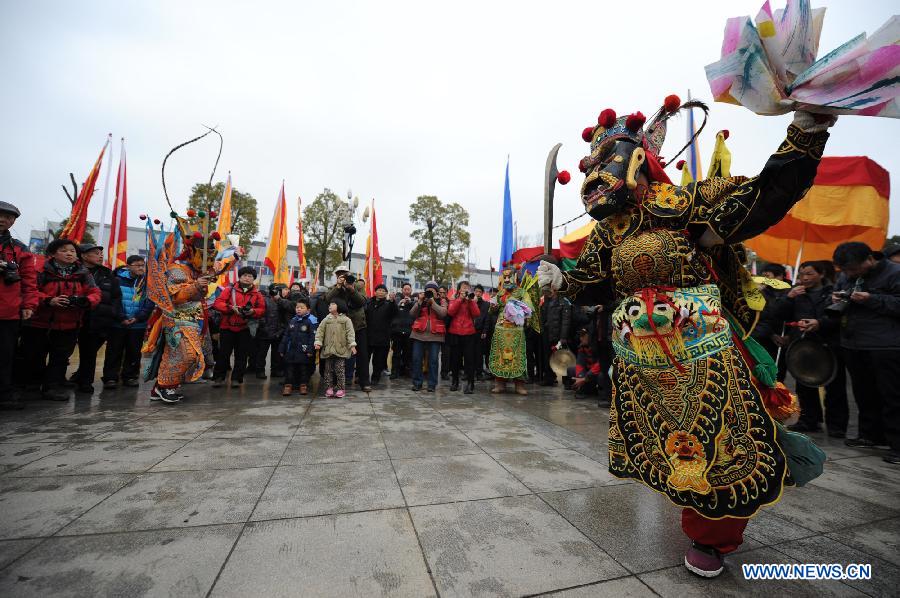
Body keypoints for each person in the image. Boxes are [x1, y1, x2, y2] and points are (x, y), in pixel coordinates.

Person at [537, 101, 837, 576]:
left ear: (638, 162)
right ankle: (691, 508)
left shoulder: (679, 205)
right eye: (589, 164)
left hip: (700, 345)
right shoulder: (606, 233)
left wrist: (803, 134)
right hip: (638, 353)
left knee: (717, 435)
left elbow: (762, 199)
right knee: (666, 440)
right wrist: (563, 280)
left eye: (604, 159)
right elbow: (592, 285)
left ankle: (713, 537)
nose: (594, 171)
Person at [830, 242, 900, 464]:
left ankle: (897, 445)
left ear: (870, 259)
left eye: (853, 269)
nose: (849, 274)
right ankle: (869, 435)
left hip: (886, 345)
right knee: (864, 393)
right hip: (853, 342)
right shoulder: (846, 276)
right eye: (845, 270)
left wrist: (872, 299)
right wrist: (837, 298)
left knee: (892, 396)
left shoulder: (894, 273)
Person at [20, 239, 101, 400]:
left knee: (60, 357)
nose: (69, 253)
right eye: (64, 250)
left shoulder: (83, 273)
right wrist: (49, 300)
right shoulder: (41, 270)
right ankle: (33, 386)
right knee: (35, 355)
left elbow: (95, 292)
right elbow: (29, 291)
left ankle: (52, 387)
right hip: (39, 322)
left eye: (72, 250)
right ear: (53, 253)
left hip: (70, 323)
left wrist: (85, 301)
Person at [774, 261, 848, 437]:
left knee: (835, 387)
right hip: (802, 346)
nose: (804, 278)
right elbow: (778, 315)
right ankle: (809, 421)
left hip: (828, 345)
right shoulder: (796, 293)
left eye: (809, 274)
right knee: (805, 385)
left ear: (821, 274)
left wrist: (820, 324)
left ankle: (836, 426)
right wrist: (789, 298)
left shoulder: (834, 293)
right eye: (801, 274)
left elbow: (839, 318)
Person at [0, 201, 38, 410]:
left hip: (8, 312)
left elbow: (29, 281)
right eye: (1, 215)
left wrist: (29, 304)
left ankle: (5, 394)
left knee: (6, 356)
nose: (3, 220)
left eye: (8, 217)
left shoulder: (19, 249)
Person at [70, 243, 122, 394]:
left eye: (101, 253)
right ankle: (64, 381)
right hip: (76, 317)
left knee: (90, 353)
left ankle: (85, 382)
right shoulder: (74, 271)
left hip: (100, 320)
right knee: (65, 352)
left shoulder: (107, 274)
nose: (100, 255)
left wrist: (112, 312)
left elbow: (116, 296)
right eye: (95, 253)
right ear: (84, 255)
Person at [102, 255, 155, 388]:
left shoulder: (147, 283)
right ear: (128, 266)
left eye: (142, 265)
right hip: (118, 323)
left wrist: (138, 317)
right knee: (114, 351)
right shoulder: (117, 279)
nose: (141, 268)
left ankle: (130, 376)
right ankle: (110, 378)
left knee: (134, 351)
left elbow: (150, 303)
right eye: (137, 265)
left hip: (138, 324)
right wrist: (121, 317)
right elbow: (112, 301)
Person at [212, 266, 265, 388]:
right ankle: (219, 377)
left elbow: (262, 310)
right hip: (227, 327)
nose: (247, 278)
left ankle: (237, 379)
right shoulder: (229, 290)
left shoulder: (257, 294)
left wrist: (252, 312)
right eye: (245, 275)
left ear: (254, 279)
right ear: (240, 277)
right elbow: (218, 303)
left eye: (250, 276)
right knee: (223, 354)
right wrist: (231, 308)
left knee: (241, 355)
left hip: (245, 328)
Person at [488, 265, 536, 395]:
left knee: (517, 356)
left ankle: (519, 385)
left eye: (510, 276)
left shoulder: (522, 293)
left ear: (516, 277)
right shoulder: (500, 293)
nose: (507, 279)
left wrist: (517, 308)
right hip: (501, 329)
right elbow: (492, 311)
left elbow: (530, 309)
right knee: (500, 357)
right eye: (505, 277)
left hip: (516, 330)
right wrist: (493, 306)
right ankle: (500, 383)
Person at [326, 270, 371, 391]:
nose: (344, 278)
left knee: (362, 355)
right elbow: (327, 299)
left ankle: (364, 382)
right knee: (338, 354)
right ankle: (338, 382)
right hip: (340, 326)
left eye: (345, 275)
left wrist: (351, 289)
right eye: (340, 275)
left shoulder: (358, 287)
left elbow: (362, 301)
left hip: (358, 326)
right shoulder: (334, 288)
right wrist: (339, 287)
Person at [410, 281, 448, 392]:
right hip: (419, 334)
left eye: (433, 290)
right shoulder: (421, 300)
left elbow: (443, 313)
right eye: (428, 290)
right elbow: (412, 314)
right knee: (416, 359)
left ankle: (431, 385)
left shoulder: (442, 301)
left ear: (437, 292)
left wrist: (433, 303)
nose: (430, 292)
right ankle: (417, 383)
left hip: (435, 335)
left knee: (433, 361)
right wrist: (420, 301)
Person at [314, 298, 356, 398]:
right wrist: (318, 342)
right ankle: (329, 388)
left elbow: (350, 333)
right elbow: (320, 332)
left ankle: (341, 388)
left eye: (333, 304)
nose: (330, 306)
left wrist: (352, 345)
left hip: (340, 350)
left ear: (339, 306)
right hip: (328, 350)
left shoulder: (346, 320)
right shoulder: (326, 319)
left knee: (340, 369)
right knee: (328, 370)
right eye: (330, 304)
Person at [447, 280, 480, 394]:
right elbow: (450, 312)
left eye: (467, 287)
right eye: (463, 287)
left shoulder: (471, 300)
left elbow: (476, 314)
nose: (465, 289)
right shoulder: (453, 299)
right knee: (455, 360)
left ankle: (470, 384)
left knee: (470, 360)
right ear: (459, 289)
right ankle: (455, 382)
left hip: (469, 333)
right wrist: (460, 299)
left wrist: (471, 301)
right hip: (455, 332)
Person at [279, 298, 318, 396]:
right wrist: (282, 348)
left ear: (308, 310)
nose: (298, 309)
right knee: (289, 369)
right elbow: (286, 335)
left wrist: (310, 350)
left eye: (301, 307)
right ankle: (288, 386)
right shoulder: (293, 320)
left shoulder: (311, 321)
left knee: (304, 370)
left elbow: (313, 337)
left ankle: (303, 386)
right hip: (291, 351)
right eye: (297, 307)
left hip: (304, 351)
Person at [254, 283, 291, 379]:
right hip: (264, 332)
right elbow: (260, 315)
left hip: (278, 332)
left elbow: (288, 310)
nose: (287, 291)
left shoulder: (284, 301)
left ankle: (275, 370)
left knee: (276, 354)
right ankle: (260, 371)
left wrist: (281, 329)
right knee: (262, 353)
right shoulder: (264, 300)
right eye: (284, 289)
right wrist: (263, 326)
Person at [541, 286, 573, 385]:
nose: (549, 292)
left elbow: (566, 321)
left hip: (558, 336)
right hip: (548, 334)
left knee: (563, 358)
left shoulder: (564, 302)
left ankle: (567, 381)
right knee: (548, 357)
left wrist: (563, 337)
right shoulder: (546, 301)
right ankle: (549, 379)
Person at [365, 283, 396, 385]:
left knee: (378, 361)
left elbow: (394, 313)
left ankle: (375, 378)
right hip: (368, 336)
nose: (381, 292)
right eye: (379, 290)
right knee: (365, 359)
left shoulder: (388, 305)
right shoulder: (368, 303)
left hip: (382, 337)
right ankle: (363, 377)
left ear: (386, 293)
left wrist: (392, 301)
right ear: (375, 291)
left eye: (383, 291)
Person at [390, 282, 415, 378]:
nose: (407, 291)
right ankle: (394, 372)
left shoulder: (414, 302)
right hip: (397, 331)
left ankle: (406, 371)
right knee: (396, 353)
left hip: (409, 331)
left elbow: (417, 311)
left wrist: (411, 302)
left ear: (411, 291)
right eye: (405, 289)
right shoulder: (396, 300)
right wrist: (398, 303)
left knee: (408, 353)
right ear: (402, 290)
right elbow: (391, 312)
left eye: (408, 289)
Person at [568, 328, 601, 399]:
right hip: (588, 372)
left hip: (597, 372)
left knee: (601, 376)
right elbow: (579, 364)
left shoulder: (599, 346)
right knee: (571, 370)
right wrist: (580, 377)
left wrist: (585, 378)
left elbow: (600, 364)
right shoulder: (582, 347)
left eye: (583, 336)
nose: (581, 338)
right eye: (580, 336)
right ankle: (584, 388)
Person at [472, 284, 490, 380]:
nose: (478, 293)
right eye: (476, 291)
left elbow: (487, 319)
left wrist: (485, 331)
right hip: (469, 330)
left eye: (480, 292)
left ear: (482, 293)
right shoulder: (470, 302)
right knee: (470, 352)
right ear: (474, 292)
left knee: (479, 353)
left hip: (480, 331)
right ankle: (469, 372)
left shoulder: (486, 304)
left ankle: (479, 372)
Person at [438, 285, 451, 380]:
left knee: (446, 353)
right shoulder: (435, 301)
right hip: (436, 329)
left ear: (447, 293)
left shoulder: (450, 302)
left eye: (444, 292)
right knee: (433, 352)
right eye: (440, 292)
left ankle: (445, 372)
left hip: (447, 331)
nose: (442, 294)